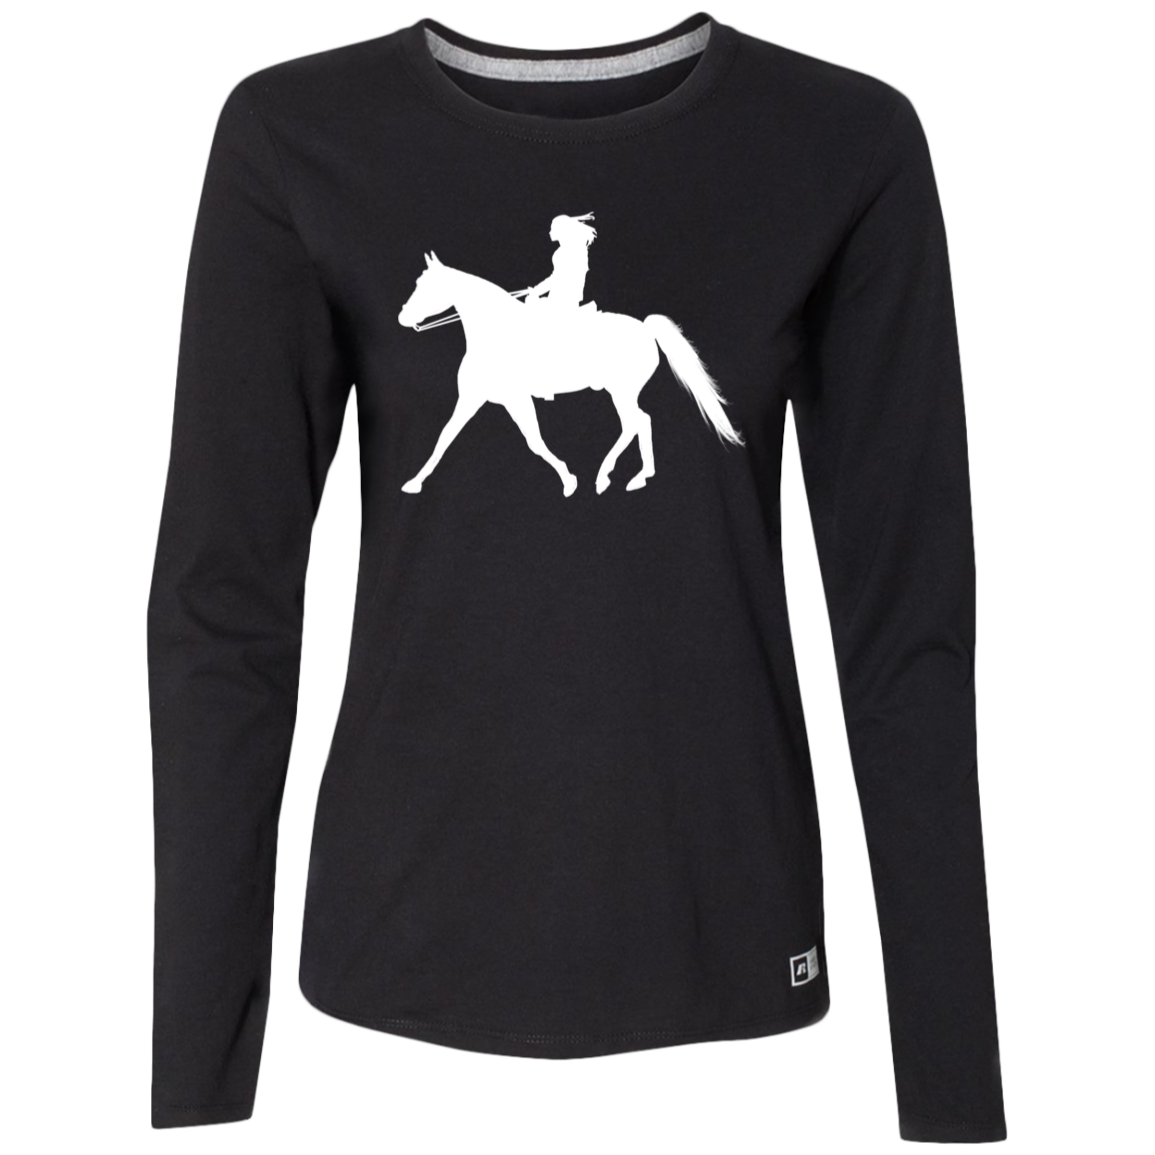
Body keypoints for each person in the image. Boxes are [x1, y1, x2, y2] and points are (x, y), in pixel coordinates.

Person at [524, 213, 598, 311]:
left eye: (552, 229)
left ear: (561, 230)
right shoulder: (570, 250)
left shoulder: (569, 251)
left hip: (563, 300)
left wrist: (536, 291)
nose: (550, 232)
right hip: (564, 298)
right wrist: (536, 290)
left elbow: (557, 278)